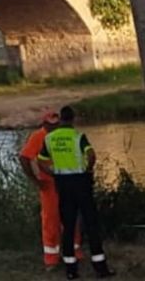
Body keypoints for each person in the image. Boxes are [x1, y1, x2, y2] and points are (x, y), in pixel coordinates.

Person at [37, 106, 114, 279]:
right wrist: (88, 168)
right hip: (81, 182)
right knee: (91, 224)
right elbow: (91, 155)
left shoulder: (49, 139)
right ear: (73, 119)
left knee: (68, 226)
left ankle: (71, 270)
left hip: (63, 184)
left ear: (61, 120)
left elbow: (41, 160)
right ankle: (100, 268)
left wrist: (52, 172)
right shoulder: (78, 137)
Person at [19, 109, 64, 270]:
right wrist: (35, 181)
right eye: (51, 124)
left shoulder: (63, 134)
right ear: (44, 123)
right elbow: (24, 157)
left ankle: (73, 254)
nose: (54, 127)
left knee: (71, 218)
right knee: (50, 220)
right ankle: (51, 259)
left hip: (66, 182)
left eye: (56, 124)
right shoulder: (38, 136)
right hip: (49, 184)